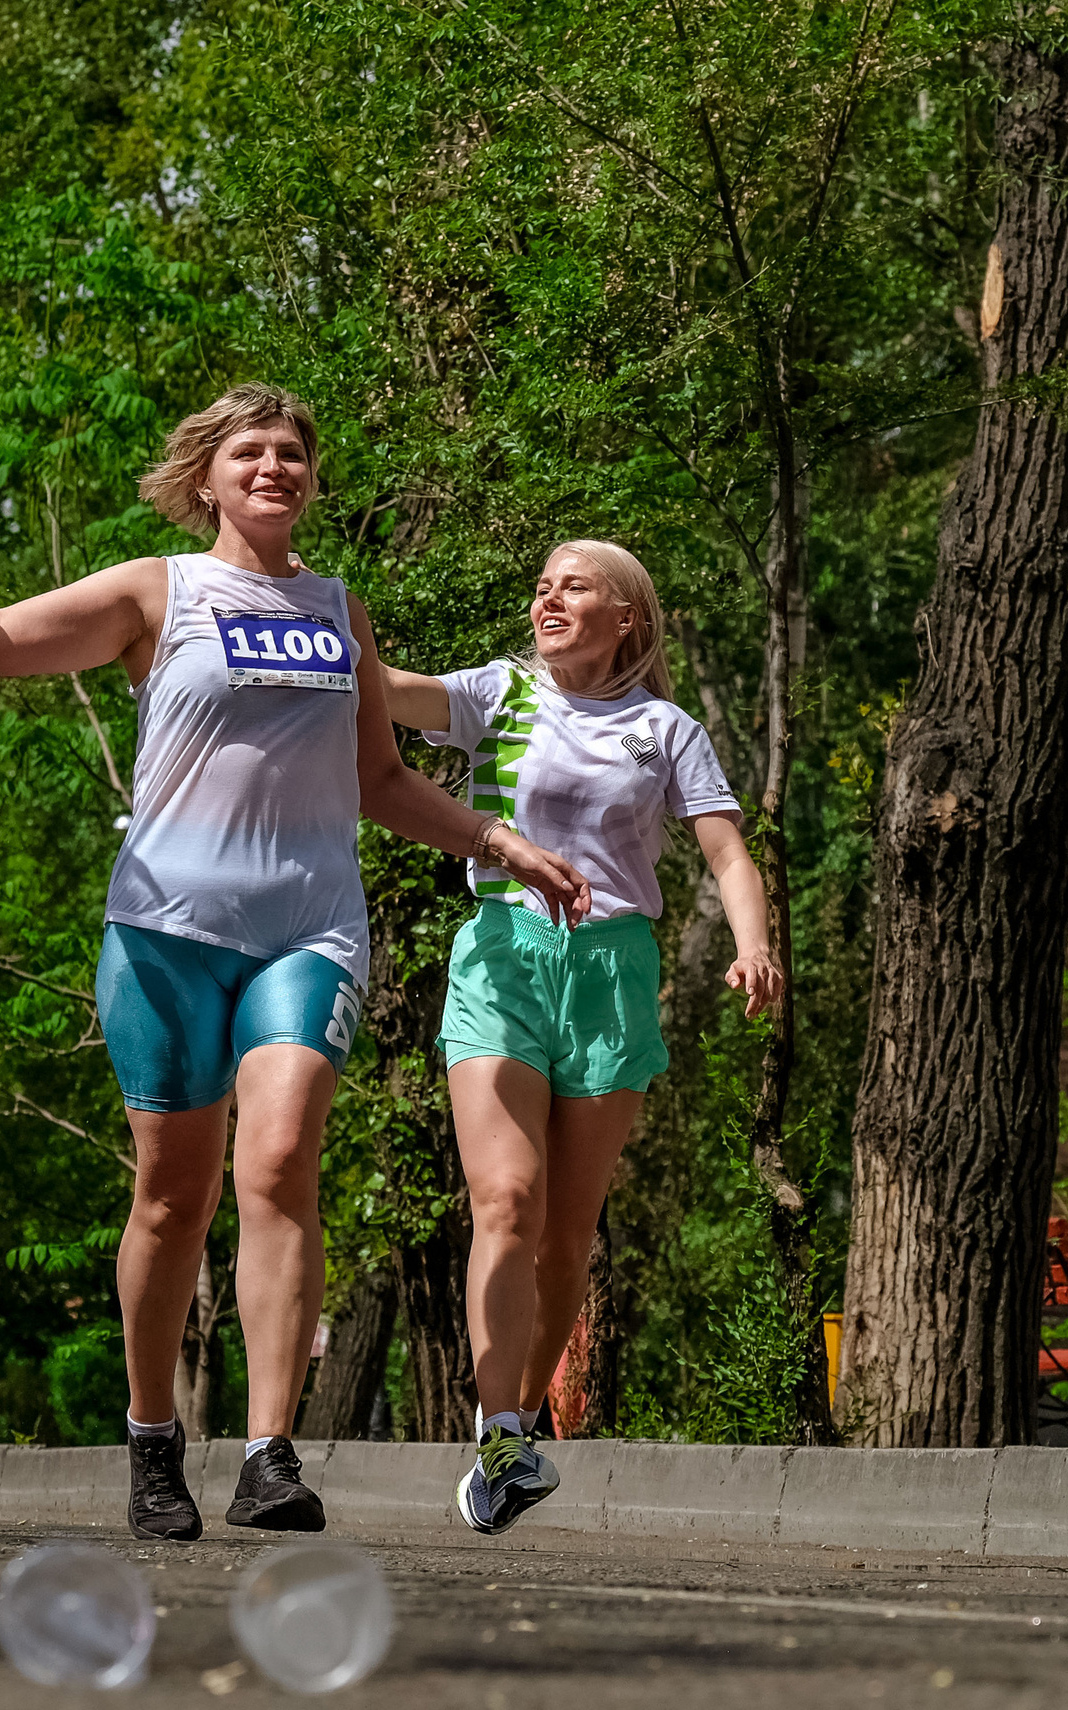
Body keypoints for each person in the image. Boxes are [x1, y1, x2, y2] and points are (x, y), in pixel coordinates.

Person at [0, 389, 586, 1542]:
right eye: (252, 451)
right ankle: (154, 1441)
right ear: (207, 476)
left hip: (308, 928)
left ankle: (267, 1454)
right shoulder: (161, 591)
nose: (276, 467)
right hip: (165, 932)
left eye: (294, 452)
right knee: (171, 1192)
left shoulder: (339, 610)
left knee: (282, 1160)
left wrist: (497, 840)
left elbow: (380, 783)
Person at [383, 539, 784, 1534]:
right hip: (504, 959)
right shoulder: (496, 693)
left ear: (625, 620)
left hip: (612, 974)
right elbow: (385, 691)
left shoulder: (665, 729)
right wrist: (314, 603)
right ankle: (497, 1429)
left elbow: (726, 852)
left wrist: (754, 946)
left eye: (574, 585)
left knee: (566, 1234)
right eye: (541, 586)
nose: (547, 597)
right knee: (505, 1200)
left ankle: (517, 1429)